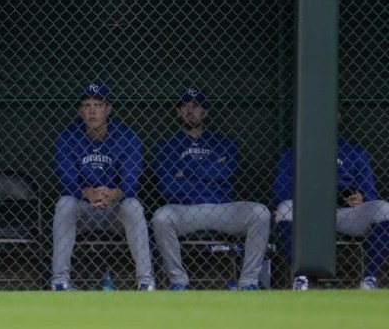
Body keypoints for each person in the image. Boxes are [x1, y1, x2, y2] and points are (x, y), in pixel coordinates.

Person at [151, 88, 271, 291]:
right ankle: (178, 281)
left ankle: (248, 281)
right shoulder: (165, 145)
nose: (190, 111)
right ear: (178, 112)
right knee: (161, 217)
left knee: (260, 212)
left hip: (222, 208)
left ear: (205, 112)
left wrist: (185, 171)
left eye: (195, 106)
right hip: (185, 209)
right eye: (185, 106)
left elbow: (225, 173)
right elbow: (167, 186)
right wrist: (211, 168)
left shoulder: (224, 143)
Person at [50, 82, 155, 291]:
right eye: (86, 106)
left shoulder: (127, 137)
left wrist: (113, 193)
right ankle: (60, 281)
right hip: (84, 210)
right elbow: (66, 177)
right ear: (80, 111)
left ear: (108, 109)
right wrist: (87, 192)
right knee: (64, 204)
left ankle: (145, 281)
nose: (92, 111)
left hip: (114, 210)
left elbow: (131, 180)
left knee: (133, 205)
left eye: (98, 105)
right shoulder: (67, 137)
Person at [273, 124, 389, 291]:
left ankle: (369, 278)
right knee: (285, 208)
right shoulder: (293, 153)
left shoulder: (354, 151)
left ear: (338, 118)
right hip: (307, 212)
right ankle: (300, 277)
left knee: (384, 209)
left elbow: (370, 192)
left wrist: (361, 198)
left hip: (345, 213)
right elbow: (279, 194)